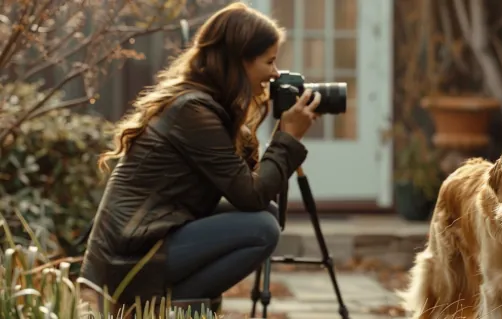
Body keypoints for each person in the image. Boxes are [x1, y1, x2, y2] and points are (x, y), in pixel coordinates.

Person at [79, 2, 321, 311]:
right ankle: (170, 308)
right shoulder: (193, 111)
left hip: (144, 242)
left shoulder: (203, 103)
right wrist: (287, 136)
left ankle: (183, 305)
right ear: (238, 61)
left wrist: (272, 134)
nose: (274, 74)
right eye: (269, 61)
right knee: (262, 228)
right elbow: (251, 195)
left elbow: (249, 188)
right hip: (129, 258)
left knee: (267, 216)